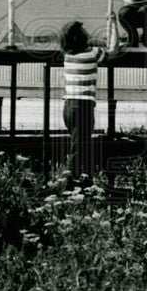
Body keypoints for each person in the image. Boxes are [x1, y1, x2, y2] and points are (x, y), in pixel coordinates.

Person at [59, 19, 119, 188]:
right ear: (81, 37)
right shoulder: (92, 53)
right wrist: (112, 23)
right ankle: (72, 182)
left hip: (69, 105)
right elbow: (114, 49)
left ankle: (79, 179)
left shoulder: (68, 55)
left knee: (78, 143)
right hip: (83, 106)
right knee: (78, 147)